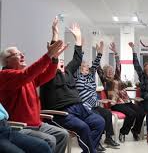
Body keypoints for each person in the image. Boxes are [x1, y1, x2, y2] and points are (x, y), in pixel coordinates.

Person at [0, 18, 69, 153]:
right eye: (17, 54)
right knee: (50, 140)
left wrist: (54, 58)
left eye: (22, 53)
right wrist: (49, 55)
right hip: (21, 126)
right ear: (7, 61)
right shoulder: (5, 75)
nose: (21, 55)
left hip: (37, 124)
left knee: (63, 135)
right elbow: (26, 75)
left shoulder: (26, 76)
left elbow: (47, 75)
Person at [40, 22, 105, 153]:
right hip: (61, 113)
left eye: (63, 61)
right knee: (84, 128)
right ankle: (91, 151)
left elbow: (77, 59)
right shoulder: (47, 76)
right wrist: (55, 34)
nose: (61, 62)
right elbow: (52, 57)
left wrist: (79, 39)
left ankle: (88, 150)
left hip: (80, 109)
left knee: (99, 122)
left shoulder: (68, 72)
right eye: (59, 61)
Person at [74, 41, 120, 148]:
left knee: (107, 114)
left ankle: (108, 138)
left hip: (95, 105)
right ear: (80, 68)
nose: (87, 67)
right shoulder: (77, 77)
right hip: (85, 107)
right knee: (99, 118)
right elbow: (76, 63)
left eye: (87, 66)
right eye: (84, 66)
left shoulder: (90, 76)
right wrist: (81, 48)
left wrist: (99, 53)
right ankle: (96, 141)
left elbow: (95, 66)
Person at [97, 42, 145, 143]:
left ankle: (135, 131)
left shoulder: (117, 77)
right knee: (131, 114)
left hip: (126, 101)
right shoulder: (105, 80)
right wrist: (99, 53)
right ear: (105, 73)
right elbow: (98, 69)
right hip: (116, 103)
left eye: (111, 70)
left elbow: (118, 66)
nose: (110, 72)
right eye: (108, 71)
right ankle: (123, 132)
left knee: (141, 112)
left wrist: (115, 53)